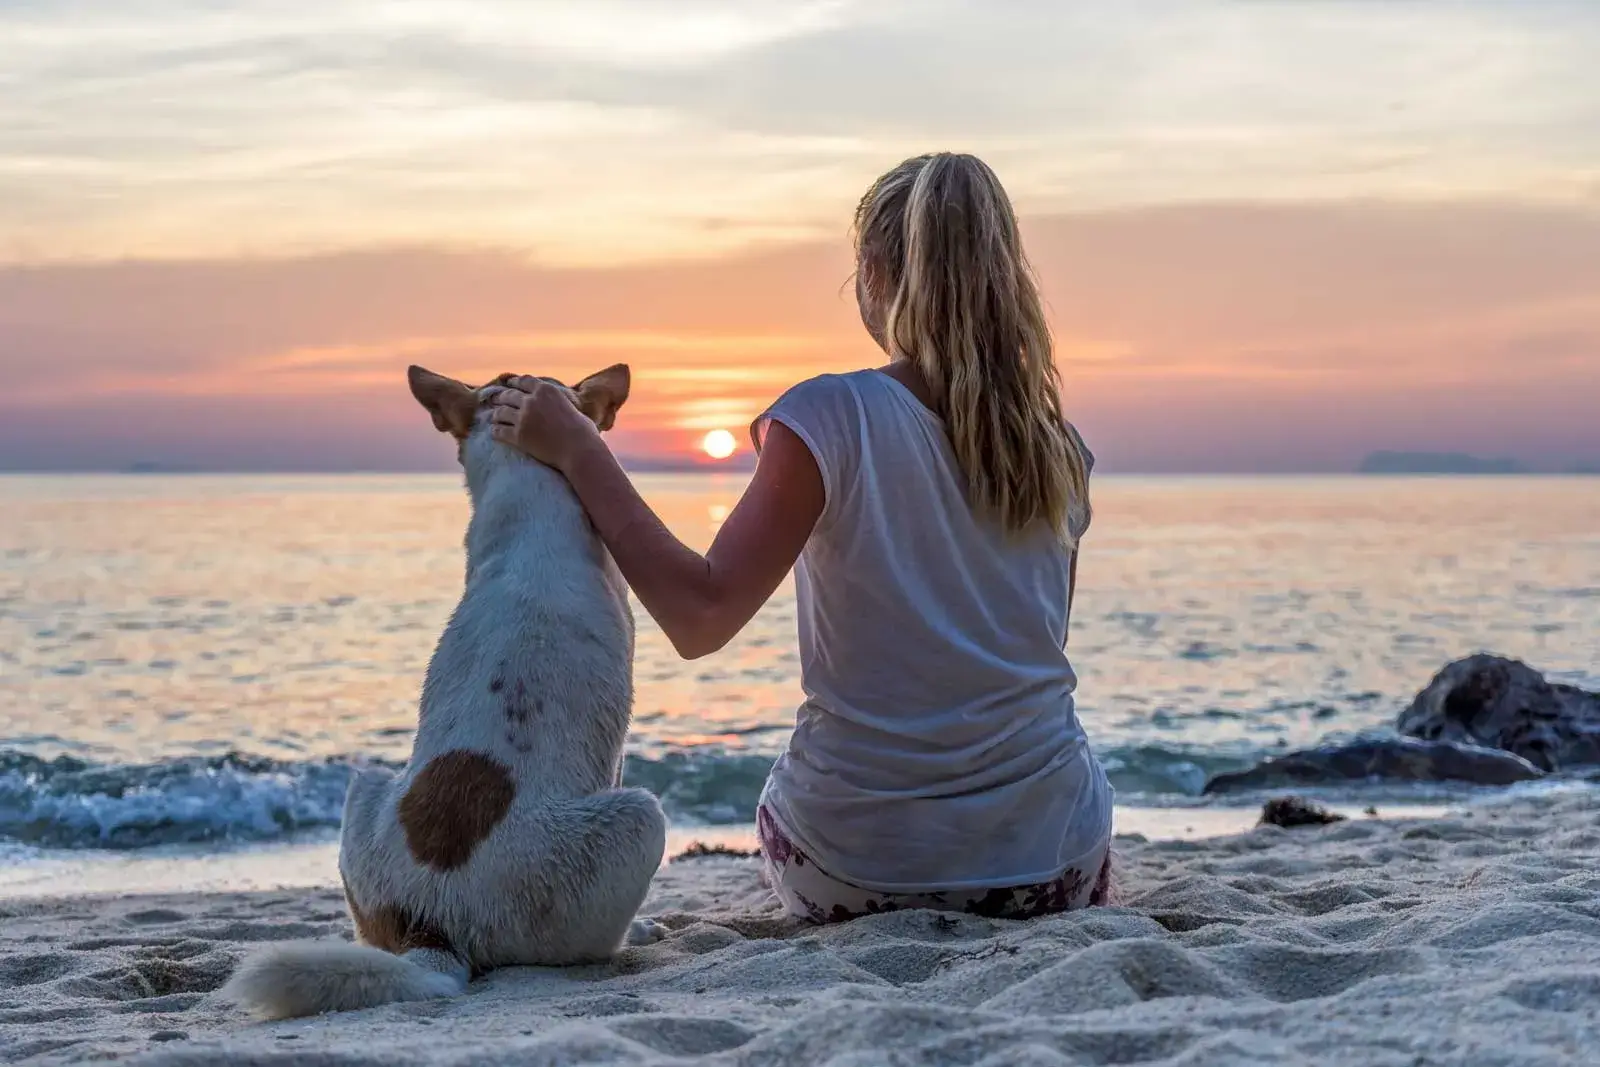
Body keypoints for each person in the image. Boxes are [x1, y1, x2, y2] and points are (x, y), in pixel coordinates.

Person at [487, 152, 1111, 923]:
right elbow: (1016, 663)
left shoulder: (831, 417)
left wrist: (580, 448)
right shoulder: (1059, 450)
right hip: (1057, 863)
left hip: (859, 865)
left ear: (877, 275)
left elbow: (700, 615)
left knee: (797, 805)